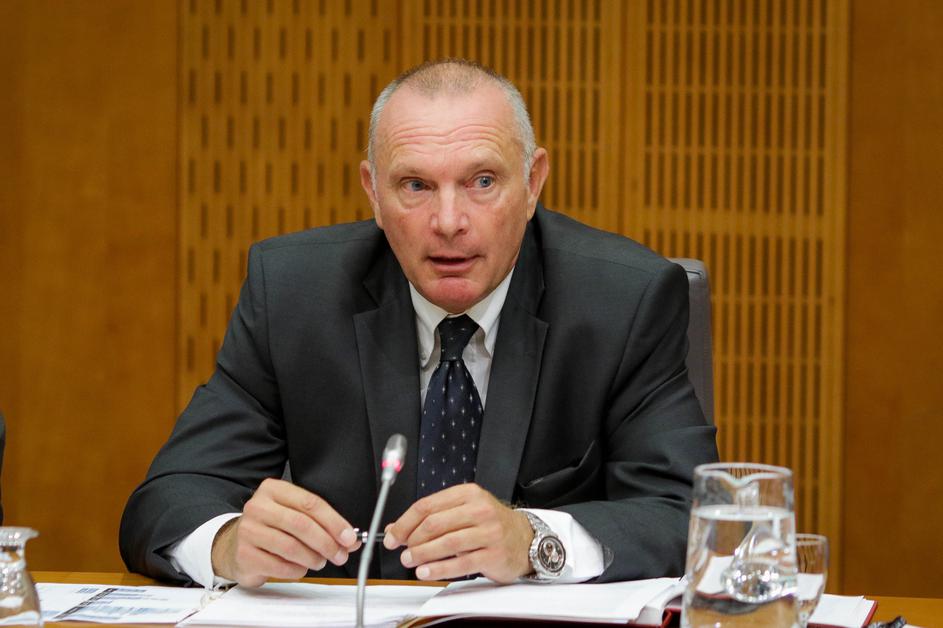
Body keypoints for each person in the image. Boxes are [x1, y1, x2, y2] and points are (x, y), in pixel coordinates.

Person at [120, 59, 718, 589]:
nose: (449, 221)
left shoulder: (623, 301)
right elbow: (165, 501)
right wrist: (227, 544)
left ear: (533, 183)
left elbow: (690, 517)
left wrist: (532, 540)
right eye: (415, 185)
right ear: (373, 193)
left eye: (482, 182)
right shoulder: (293, 295)